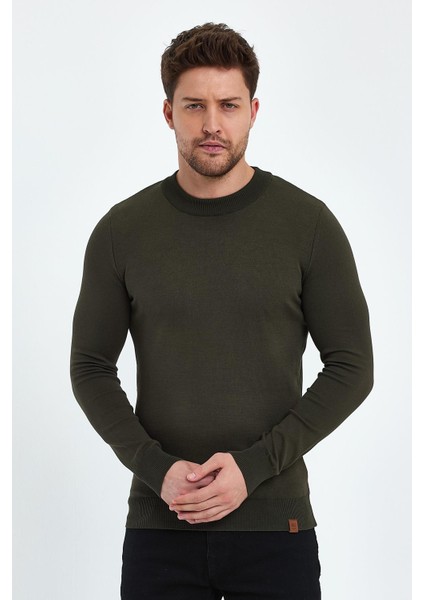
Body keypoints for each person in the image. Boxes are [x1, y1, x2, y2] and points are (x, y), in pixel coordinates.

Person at [70, 22, 374, 600]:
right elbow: (89, 367)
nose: (212, 124)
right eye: (195, 106)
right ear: (168, 113)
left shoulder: (308, 225)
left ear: (253, 111)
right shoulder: (121, 231)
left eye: (229, 105)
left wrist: (254, 467)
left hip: (276, 529)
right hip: (161, 527)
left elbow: (353, 366)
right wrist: (156, 470)